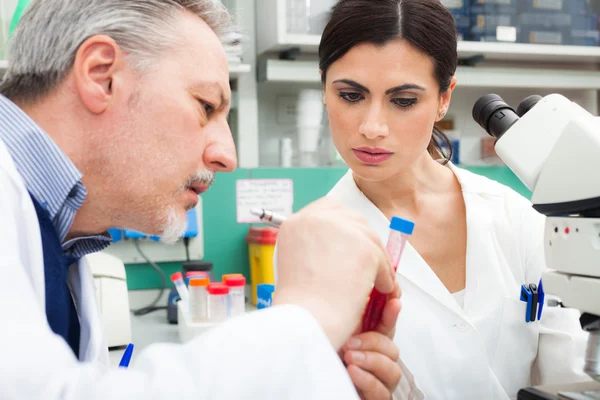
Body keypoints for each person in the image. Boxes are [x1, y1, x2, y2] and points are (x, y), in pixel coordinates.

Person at [0, 1, 401, 399]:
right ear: (101, 76)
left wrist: (306, 375)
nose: (227, 155)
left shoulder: (62, 237)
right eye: (205, 106)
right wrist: (307, 318)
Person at [316, 0, 592, 398]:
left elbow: (571, 377)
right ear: (324, 88)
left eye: (403, 101)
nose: (372, 127)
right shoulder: (315, 246)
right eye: (351, 95)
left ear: (444, 97)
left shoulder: (517, 219)